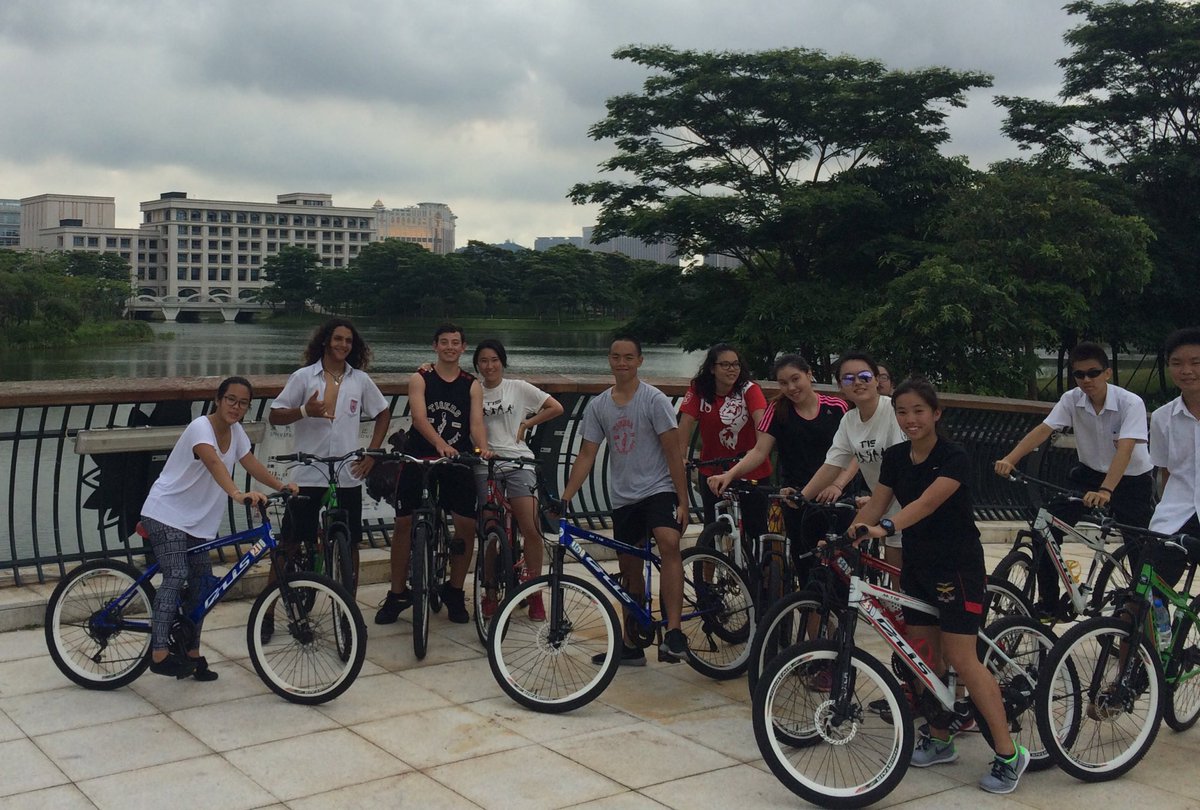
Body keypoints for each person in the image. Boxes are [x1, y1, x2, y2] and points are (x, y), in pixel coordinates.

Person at [851, 377, 1030, 795]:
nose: (911, 419)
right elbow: (877, 501)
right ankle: (940, 736)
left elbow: (928, 502)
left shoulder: (955, 455)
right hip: (918, 565)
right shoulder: (895, 456)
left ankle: (1008, 754)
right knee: (924, 657)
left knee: (961, 658)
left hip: (957, 566)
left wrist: (886, 526)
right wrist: (850, 534)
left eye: (918, 411)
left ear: (936, 414)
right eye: (902, 412)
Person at [140, 376, 295, 679]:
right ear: (218, 399)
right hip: (166, 512)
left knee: (201, 585)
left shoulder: (236, 432)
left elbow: (250, 462)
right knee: (177, 573)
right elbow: (213, 462)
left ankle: (191, 653)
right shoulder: (201, 427)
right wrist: (238, 494)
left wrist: (281, 485)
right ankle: (159, 653)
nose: (236, 407)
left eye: (243, 403)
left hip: (198, 521)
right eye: (231, 400)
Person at [993, 341, 1154, 618]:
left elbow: (1126, 448)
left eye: (1093, 373)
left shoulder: (1130, 403)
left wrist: (1106, 489)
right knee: (1044, 527)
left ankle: (1142, 612)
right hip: (1089, 475)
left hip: (1131, 479)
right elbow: (1044, 430)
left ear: (1108, 373)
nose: (1086, 380)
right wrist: (1010, 458)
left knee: (1139, 547)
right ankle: (1049, 602)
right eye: (1080, 375)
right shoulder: (1071, 399)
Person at [560, 336, 691, 665]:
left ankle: (674, 633)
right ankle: (631, 645)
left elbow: (673, 452)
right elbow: (587, 454)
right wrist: (566, 496)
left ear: (640, 361)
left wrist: (683, 499)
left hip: (658, 488)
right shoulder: (600, 405)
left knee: (668, 541)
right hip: (623, 497)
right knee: (630, 571)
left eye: (628, 357)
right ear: (609, 360)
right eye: (616, 357)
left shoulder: (654, 400)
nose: (622, 363)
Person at [264, 318, 390, 640]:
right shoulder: (304, 377)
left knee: (351, 544)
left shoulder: (359, 380)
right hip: (309, 471)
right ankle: (265, 610)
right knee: (290, 542)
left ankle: (349, 609)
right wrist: (305, 411)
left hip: (347, 472)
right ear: (325, 341)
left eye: (349, 340)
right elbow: (276, 414)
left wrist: (372, 453)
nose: (343, 345)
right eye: (337, 339)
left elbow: (383, 413)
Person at [376, 324, 488, 626]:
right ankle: (397, 593)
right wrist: (439, 444)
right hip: (420, 457)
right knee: (404, 523)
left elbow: (475, 424)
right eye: (444, 342)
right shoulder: (420, 378)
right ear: (435, 346)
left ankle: (454, 590)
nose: (450, 347)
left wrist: (484, 448)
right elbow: (419, 417)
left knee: (466, 524)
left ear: (464, 347)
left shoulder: (471, 384)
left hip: (457, 459)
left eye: (455, 343)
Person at [707, 354, 848, 586]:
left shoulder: (837, 408)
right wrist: (730, 474)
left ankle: (838, 618)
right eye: (784, 383)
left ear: (809, 374)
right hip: (795, 497)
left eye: (796, 379)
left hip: (834, 496)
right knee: (805, 570)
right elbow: (760, 451)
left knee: (838, 572)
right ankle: (812, 619)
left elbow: (851, 452)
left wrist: (837, 484)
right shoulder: (778, 410)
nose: (791, 388)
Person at [473, 338, 564, 621]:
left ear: (502, 361)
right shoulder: (473, 390)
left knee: (531, 528)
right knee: (490, 531)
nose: (489, 366)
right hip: (485, 464)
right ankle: (489, 593)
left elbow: (556, 407)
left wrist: (527, 423)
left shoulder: (518, 388)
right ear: (477, 364)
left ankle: (534, 592)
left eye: (494, 360)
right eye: (484, 361)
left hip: (518, 462)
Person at [800, 352, 906, 572]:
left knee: (907, 586)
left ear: (877, 380)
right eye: (848, 379)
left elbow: (900, 470)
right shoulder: (849, 420)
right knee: (896, 587)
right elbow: (833, 464)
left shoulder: (893, 411)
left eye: (865, 376)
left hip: (909, 504)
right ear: (840, 386)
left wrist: (874, 499)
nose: (857, 382)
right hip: (886, 508)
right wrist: (802, 497)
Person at [679, 343, 771, 538]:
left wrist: (758, 448)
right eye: (725, 365)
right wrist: (681, 457)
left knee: (756, 530)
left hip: (750, 469)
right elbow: (685, 422)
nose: (732, 369)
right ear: (712, 368)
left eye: (736, 364)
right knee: (711, 531)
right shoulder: (699, 388)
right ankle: (707, 566)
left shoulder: (749, 389)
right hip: (712, 469)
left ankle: (759, 567)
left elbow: (760, 420)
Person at [1146, 327, 1200, 587]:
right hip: (1176, 516)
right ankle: (1157, 628)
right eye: (1177, 363)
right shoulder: (1161, 418)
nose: (1186, 370)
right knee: (1145, 594)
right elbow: (1164, 471)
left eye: (1196, 362)